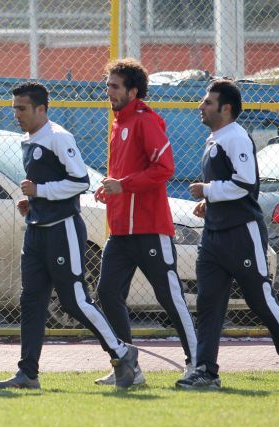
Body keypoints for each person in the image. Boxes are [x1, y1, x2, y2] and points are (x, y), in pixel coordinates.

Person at [0, 82, 138, 390]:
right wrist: (32, 201)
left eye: (22, 108)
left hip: (63, 229)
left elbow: (80, 181)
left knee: (74, 301)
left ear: (41, 109)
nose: (16, 114)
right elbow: (46, 184)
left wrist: (40, 191)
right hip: (36, 231)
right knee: (31, 301)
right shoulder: (28, 139)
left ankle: (122, 352)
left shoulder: (59, 137)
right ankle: (28, 373)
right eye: (14, 108)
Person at [176, 79, 279, 389]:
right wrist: (210, 203)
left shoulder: (235, 137)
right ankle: (206, 371)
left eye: (207, 102)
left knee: (259, 298)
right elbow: (230, 188)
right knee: (208, 303)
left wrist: (209, 190)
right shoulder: (215, 138)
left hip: (241, 234)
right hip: (213, 235)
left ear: (225, 108)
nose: (200, 105)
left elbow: (245, 184)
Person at [94, 58, 198, 385]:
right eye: (107, 85)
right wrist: (110, 189)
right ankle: (127, 367)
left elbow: (164, 168)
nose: (108, 92)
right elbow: (124, 175)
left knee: (169, 297)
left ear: (133, 91)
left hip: (150, 229)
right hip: (120, 232)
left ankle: (199, 364)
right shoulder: (118, 124)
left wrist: (123, 185)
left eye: (114, 86)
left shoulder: (146, 121)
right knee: (107, 294)